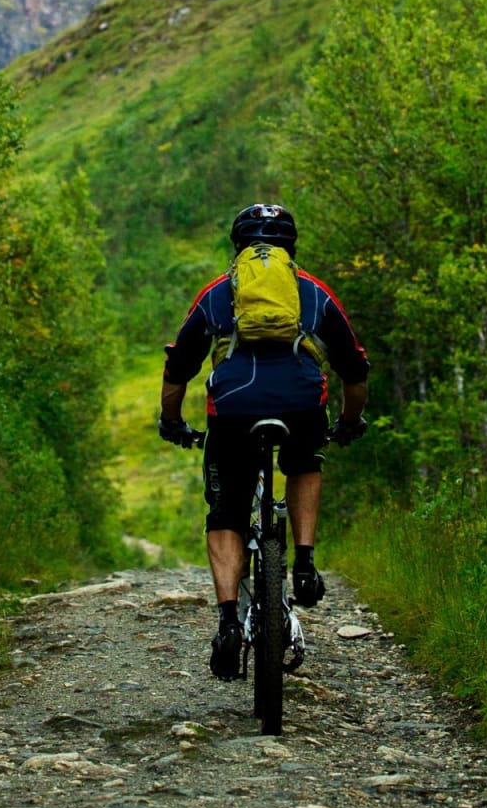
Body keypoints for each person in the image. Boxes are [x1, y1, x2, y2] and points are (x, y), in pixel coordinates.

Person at [158, 202, 369, 679]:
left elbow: (178, 370)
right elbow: (354, 370)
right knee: (303, 463)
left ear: (238, 247)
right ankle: (305, 563)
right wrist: (350, 420)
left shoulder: (217, 294)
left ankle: (229, 621)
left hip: (232, 411)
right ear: (291, 247)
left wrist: (172, 421)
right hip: (301, 405)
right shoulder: (313, 293)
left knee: (227, 512)